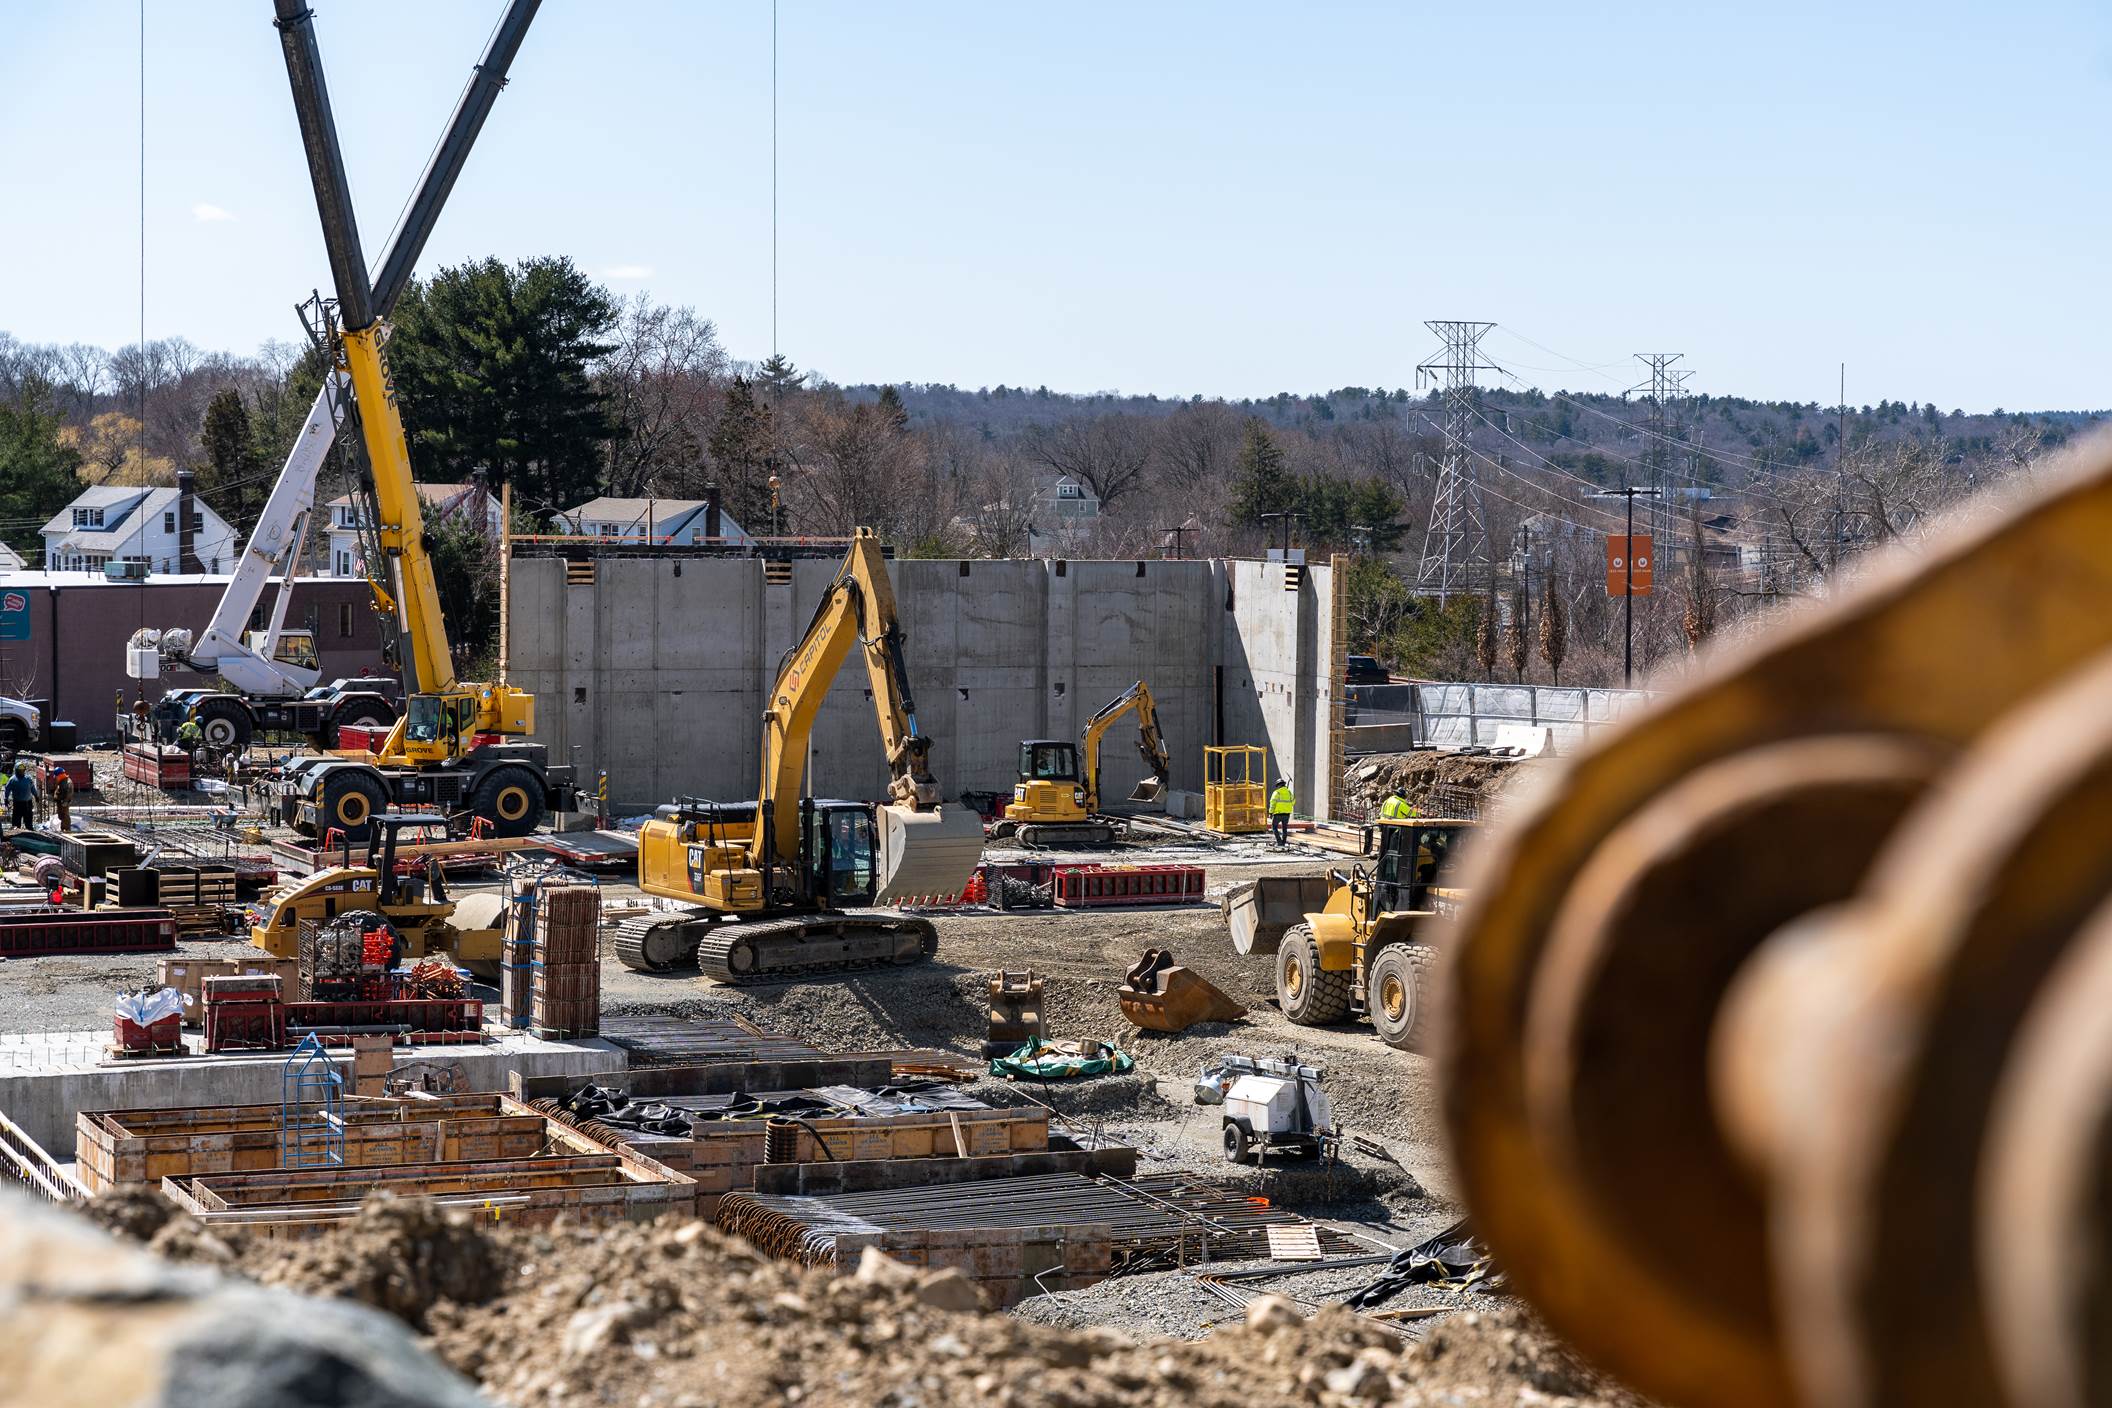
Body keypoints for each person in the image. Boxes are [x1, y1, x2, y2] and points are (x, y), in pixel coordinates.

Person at [4, 762, 37, 832]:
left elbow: (32, 788)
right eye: (20, 771)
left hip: (27, 803)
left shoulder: (28, 778)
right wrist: (6, 798)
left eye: (23, 770)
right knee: (16, 823)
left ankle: (30, 833)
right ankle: (16, 834)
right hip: (18, 803)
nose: (21, 772)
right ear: (16, 771)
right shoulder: (12, 780)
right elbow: (7, 789)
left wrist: (36, 795)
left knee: (28, 822)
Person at [1268, 776, 1295, 848]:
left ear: (1278, 785)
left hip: (1277, 814)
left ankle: (1279, 842)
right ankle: (1283, 843)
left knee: (1274, 827)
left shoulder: (1276, 792)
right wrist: (1286, 806)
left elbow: (1272, 803)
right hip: (1286, 814)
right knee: (1284, 828)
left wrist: (1270, 812)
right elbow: (1293, 802)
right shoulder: (1289, 792)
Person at [46, 763, 73, 833]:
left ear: (60, 775)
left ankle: (67, 829)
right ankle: (63, 828)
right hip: (60, 801)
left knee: (65, 815)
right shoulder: (61, 781)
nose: (56, 778)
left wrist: (66, 801)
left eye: (56, 776)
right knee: (61, 816)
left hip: (64, 802)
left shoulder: (68, 782)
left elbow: (69, 793)